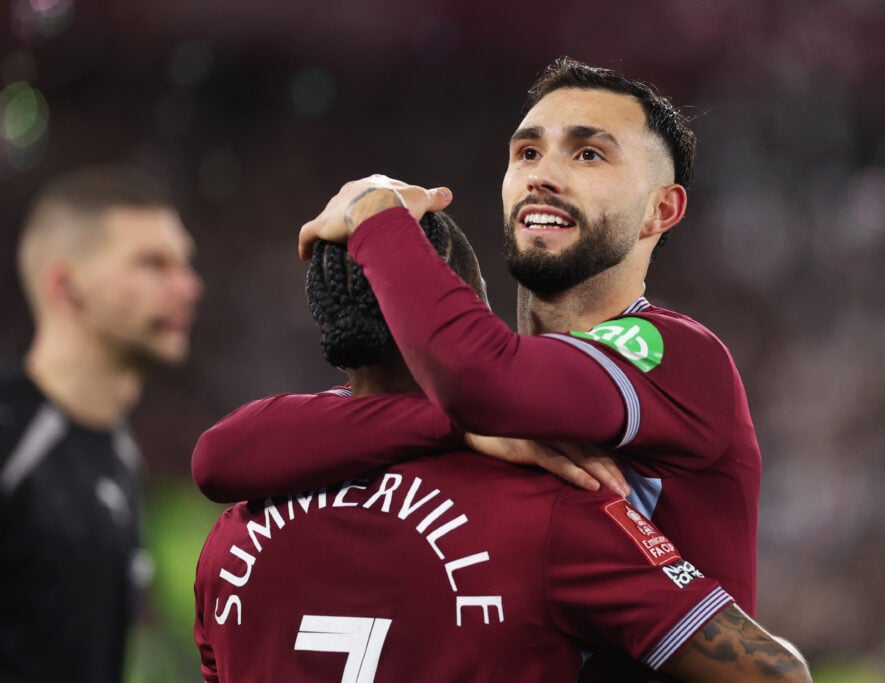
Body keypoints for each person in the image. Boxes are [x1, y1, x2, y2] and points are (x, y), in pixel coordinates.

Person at [192, 57, 765, 681]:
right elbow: (222, 458)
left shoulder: (676, 354)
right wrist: (454, 426)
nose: (543, 176)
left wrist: (377, 215)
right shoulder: (482, 411)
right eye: (526, 153)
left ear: (661, 210)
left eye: (588, 155)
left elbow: (483, 382)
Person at [1, 165, 204, 682]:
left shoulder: (118, 451)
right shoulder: (10, 440)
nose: (189, 286)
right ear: (67, 288)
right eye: (153, 264)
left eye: (184, 262)